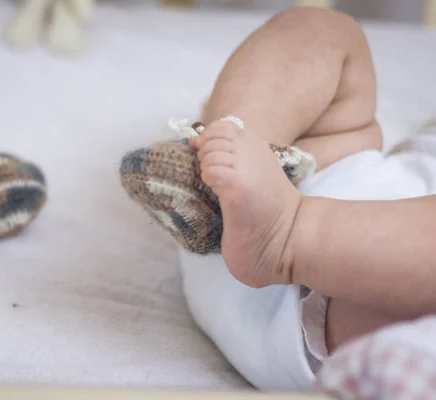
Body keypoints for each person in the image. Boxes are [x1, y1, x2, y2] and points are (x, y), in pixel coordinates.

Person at [182, 5, 436, 389]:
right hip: (322, 177)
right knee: (322, 28)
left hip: (355, 294)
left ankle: (285, 232)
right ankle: (235, 135)